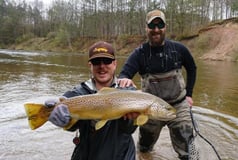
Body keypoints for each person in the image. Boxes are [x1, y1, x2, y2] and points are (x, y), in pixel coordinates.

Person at [118, 9, 197, 160]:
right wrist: (124, 80)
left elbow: (192, 68)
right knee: (144, 149)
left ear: (165, 27)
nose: (156, 30)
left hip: (178, 106)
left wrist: (189, 94)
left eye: (159, 25)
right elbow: (124, 74)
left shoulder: (179, 49)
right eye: (151, 26)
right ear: (146, 28)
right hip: (150, 109)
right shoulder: (139, 54)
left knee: (191, 153)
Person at [45, 41, 138, 160]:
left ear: (115, 64)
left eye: (107, 61)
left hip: (123, 156)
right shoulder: (78, 93)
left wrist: (130, 119)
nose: (102, 66)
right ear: (90, 65)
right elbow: (71, 124)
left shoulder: (127, 90)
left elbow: (129, 129)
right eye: (96, 62)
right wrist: (63, 119)